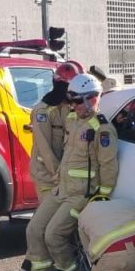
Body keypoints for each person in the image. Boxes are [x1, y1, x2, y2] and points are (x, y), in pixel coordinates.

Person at [24, 73, 119, 271]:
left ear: (92, 99)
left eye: (76, 101)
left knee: (53, 235)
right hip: (61, 189)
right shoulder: (72, 119)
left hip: (80, 196)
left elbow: (108, 166)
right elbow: (51, 115)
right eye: (71, 101)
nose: (73, 105)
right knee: (34, 230)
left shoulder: (102, 129)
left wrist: (100, 198)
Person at [28, 62, 82, 200]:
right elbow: (44, 148)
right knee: (48, 217)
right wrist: (60, 176)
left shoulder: (69, 107)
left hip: (64, 176)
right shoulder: (43, 111)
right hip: (47, 175)